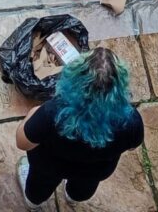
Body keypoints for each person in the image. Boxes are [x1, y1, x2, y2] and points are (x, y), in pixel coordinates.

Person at [15, 48, 144, 208]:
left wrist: (33, 113)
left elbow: (22, 142)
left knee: (39, 186)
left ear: (73, 80)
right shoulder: (131, 121)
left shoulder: (52, 113)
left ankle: (34, 203)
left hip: (49, 165)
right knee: (84, 188)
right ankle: (73, 197)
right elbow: (132, 146)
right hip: (95, 171)